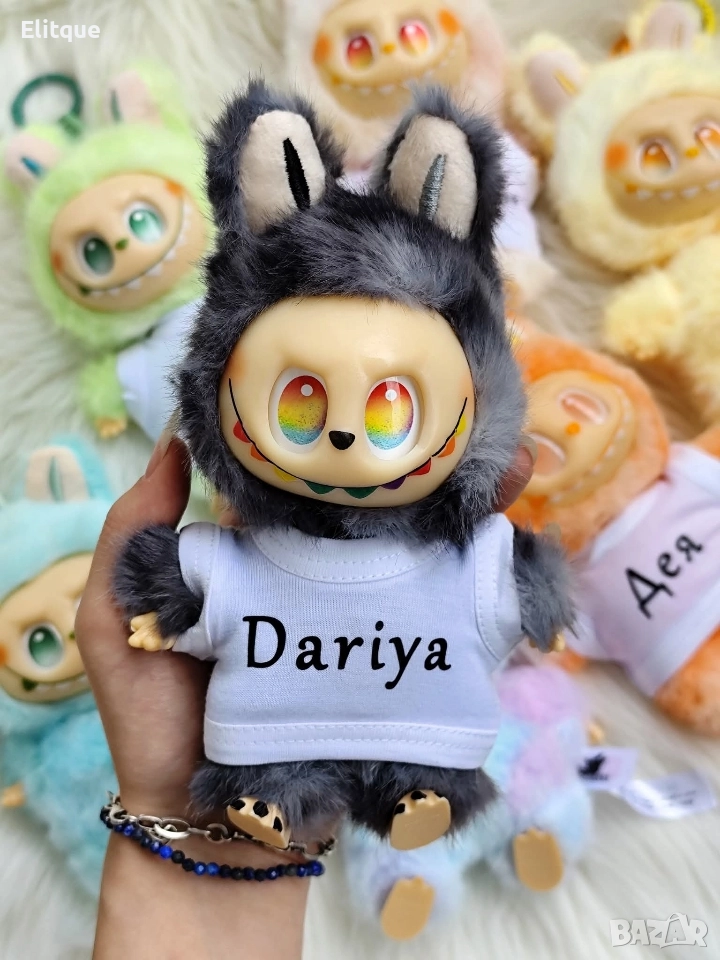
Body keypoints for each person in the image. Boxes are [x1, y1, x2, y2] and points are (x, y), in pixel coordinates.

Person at [76, 431, 536, 960]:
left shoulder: (464, 555)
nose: (345, 434)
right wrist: (165, 613)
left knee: (421, 766)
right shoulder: (242, 559)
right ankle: (273, 806)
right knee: (270, 772)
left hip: (422, 732)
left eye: (389, 414)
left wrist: (540, 604)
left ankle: (417, 800)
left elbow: (520, 582)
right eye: (300, 410)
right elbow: (187, 581)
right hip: (267, 734)